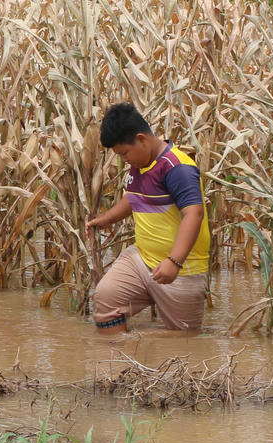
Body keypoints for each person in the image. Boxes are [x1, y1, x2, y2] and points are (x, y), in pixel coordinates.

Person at [84, 103, 209, 332]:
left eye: (124, 153)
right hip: (141, 260)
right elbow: (133, 198)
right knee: (106, 300)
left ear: (141, 139)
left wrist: (174, 262)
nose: (124, 160)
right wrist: (107, 218)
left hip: (182, 269)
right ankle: (120, 363)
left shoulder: (177, 168)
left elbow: (194, 214)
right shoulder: (140, 163)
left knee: (184, 343)